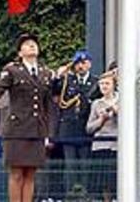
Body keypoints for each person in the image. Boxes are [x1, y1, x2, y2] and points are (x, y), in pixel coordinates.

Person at [0, 33, 54, 202]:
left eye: (34, 43)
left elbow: (47, 104)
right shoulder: (12, 70)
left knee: (30, 174)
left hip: (37, 130)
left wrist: (47, 131)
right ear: (20, 53)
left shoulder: (45, 72)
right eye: (27, 44)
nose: (32, 46)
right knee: (16, 174)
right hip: (17, 130)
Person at [52, 49, 100, 195]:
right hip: (68, 128)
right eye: (78, 63)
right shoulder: (68, 80)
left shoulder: (96, 82)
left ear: (89, 64)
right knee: (70, 165)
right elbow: (54, 91)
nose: (80, 66)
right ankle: (70, 194)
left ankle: (85, 194)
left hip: (85, 129)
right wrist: (58, 76)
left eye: (84, 63)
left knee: (85, 165)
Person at [86, 71, 118, 201]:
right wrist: (101, 120)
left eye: (107, 83)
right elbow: (89, 128)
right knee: (103, 181)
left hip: (116, 146)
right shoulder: (96, 103)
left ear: (113, 85)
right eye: (101, 84)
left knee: (116, 179)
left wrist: (117, 112)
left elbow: (130, 124)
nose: (104, 86)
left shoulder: (122, 100)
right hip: (100, 146)